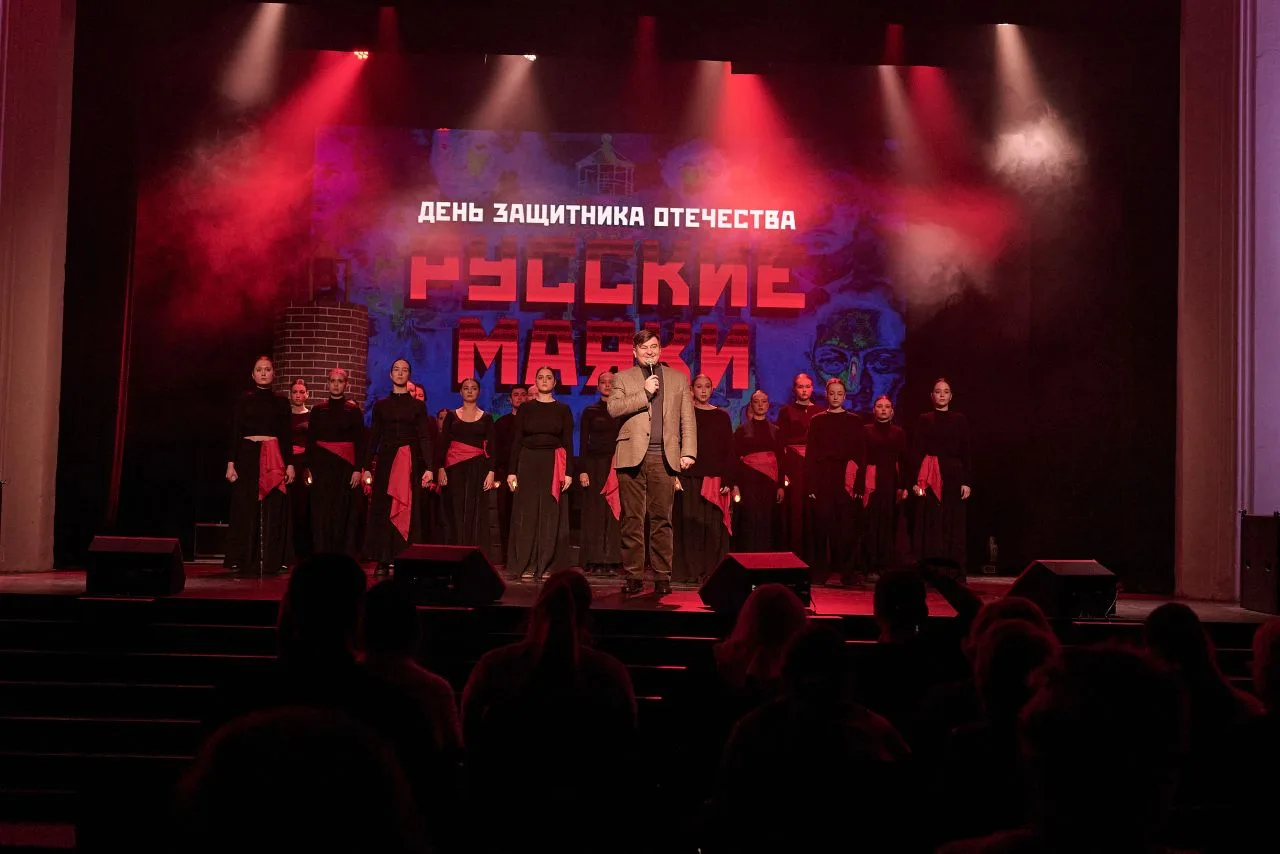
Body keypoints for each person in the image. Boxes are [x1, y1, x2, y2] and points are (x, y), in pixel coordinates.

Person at [608, 329, 697, 596]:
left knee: (662, 519)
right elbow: (614, 408)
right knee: (632, 519)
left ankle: (662, 576)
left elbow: (687, 418)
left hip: (664, 456)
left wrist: (688, 451)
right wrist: (644, 393)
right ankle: (634, 575)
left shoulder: (677, 378)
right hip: (631, 455)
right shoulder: (623, 378)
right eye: (644, 347)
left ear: (660, 350)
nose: (650, 352)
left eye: (654, 347)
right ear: (635, 351)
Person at [224, 355, 295, 575]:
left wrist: (290, 464)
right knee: (246, 505)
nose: (263, 373)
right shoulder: (244, 399)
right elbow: (236, 432)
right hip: (248, 455)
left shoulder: (281, 402)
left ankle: (273, 558)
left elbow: (286, 435)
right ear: (253, 374)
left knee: (273, 506)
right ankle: (242, 557)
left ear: (274, 373)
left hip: (273, 455)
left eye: (267, 369)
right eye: (259, 369)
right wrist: (231, 463)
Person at [362, 359, 434, 574]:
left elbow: (424, 436)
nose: (400, 373)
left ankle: (406, 556)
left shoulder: (418, 406)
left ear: (409, 375)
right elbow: (374, 436)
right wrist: (366, 465)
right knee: (384, 507)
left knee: (408, 509)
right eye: (396, 369)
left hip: (408, 460)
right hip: (386, 460)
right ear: (391, 375)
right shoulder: (381, 405)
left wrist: (429, 467)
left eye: (404, 370)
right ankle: (383, 558)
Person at [506, 366, 574, 580]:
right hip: (527, 461)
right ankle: (526, 564)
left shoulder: (563, 409)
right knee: (527, 514)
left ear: (555, 382)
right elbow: (516, 440)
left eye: (549, 377)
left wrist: (569, 472)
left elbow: (568, 442)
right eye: (540, 377)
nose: (544, 380)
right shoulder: (526, 408)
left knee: (549, 514)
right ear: (535, 381)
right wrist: (511, 471)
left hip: (552, 463)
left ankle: (547, 564)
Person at [805, 378, 867, 586]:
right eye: (832, 393)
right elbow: (811, 454)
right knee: (821, 526)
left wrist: (859, 483)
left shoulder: (854, 421)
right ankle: (820, 572)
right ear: (826, 395)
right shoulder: (817, 420)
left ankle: (847, 572)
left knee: (846, 526)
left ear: (845, 396)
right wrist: (811, 484)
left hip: (846, 476)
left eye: (839, 393)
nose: (835, 397)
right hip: (823, 475)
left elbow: (861, 454)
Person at [674, 374, 733, 585]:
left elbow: (729, 450)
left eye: (707, 386)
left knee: (712, 527)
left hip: (713, 479)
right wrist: (674, 475)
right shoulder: (683, 415)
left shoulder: (722, 416)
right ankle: (690, 571)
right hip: (688, 476)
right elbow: (674, 444)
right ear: (692, 389)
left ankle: (712, 571)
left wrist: (728, 479)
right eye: (699, 386)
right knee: (690, 525)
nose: (704, 390)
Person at [911, 378, 971, 571]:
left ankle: (954, 569)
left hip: (954, 473)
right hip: (931, 474)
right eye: (938, 391)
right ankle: (931, 569)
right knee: (932, 521)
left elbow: (966, 451)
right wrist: (915, 481)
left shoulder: (960, 419)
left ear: (951, 396)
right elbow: (917, 451)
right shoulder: (925, 419)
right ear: (932, 396)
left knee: (953, 522)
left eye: (946, 391)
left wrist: (966, 482)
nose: (942, 394)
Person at [306, 367, 366, 556]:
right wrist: (309, 468)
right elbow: (311, 441)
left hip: (345, 468)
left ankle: (342, 555)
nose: (336, 385)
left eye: (340, 381)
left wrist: (357, 469)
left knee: (343, 511)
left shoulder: (353, 411)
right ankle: (321, 553)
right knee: (322, 511)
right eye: (333, 381)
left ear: (346, 384)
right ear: (328, 384)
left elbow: (360, 442)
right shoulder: (318, 410)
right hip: (322, 467)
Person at [436, 378, 497, 558]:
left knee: (475, 509)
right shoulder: (451, 416)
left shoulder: (486, 418)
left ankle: (473, 554)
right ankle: (455, 552)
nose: (470, 391)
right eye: (466, 388)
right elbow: (443, 443)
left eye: (473, 388)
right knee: (455, 509)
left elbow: (492, 447)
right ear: (460, 392)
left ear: (479, 392)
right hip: (454, 468)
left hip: (478, 468)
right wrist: (440, 468)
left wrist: (491, 472)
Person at [577, 371, 622, 575]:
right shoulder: (590, 411)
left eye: (611, 382)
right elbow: (583, 443)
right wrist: (583, 470)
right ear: (597, 386)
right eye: (603, 382)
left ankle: (612, 560)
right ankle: (594, 559)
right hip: (594, 465)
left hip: (616, 464)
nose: (607, 385)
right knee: (594, 512)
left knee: (613, 512)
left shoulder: (623, 411)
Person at [732, 389, 784, 552]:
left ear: (768, 405)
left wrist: (780, 485)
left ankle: (766, 557)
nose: (760, 405)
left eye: (764, 401)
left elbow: (781, 460)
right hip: (748, 482)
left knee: (767, 518)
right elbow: (734, 459)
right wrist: (735, 485)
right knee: (749, 518)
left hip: (770, 482)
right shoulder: (742, 430)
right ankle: (748, 556)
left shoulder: (776, 431)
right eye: (756, 402)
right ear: (751, 405)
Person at [863, 394, 909, 574]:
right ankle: (869, 565)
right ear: (874, 410)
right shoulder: (865, 430)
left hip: (890, 480)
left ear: (892, 411)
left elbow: (903, 460)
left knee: (888, 522)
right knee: (869, 522)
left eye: (887, 406)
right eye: (880, 406)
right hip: (870, 479)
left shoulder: (898, 432)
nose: (883, 409)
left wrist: (903, 486)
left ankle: (885, 565)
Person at [777, 373, 819, 559]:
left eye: (807, 386)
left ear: (812, 388)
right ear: (794, 389)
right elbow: (780, 443)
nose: (804, 390)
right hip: (793, 464)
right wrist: (784, 472)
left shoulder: (820, 411)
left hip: (814, 464)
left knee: (814, 509)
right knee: (795, 509)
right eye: (800, 386)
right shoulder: (786, 411)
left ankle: (813, 557)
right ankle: (793, 555)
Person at [493, 386, 526, 566]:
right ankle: (507, 556)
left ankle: (524, 556)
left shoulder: (531, 422)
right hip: (505, 474)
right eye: (516, 395)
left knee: (525, 515)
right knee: (506, 514)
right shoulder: (501, 423)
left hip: (527, 472)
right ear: (510, 399)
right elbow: (495, 450)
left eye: (523, 395)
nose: (520, 398)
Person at [288, 378, 312, 562]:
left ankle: (304, 551)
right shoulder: (285, 416)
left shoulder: (312, 416)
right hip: (288, 464)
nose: (298, 395)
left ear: (307, 395)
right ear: (291, 395)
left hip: (305, 464)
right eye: (295, 392)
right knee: (288, 507)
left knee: (304, 506)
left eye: (301, 392)